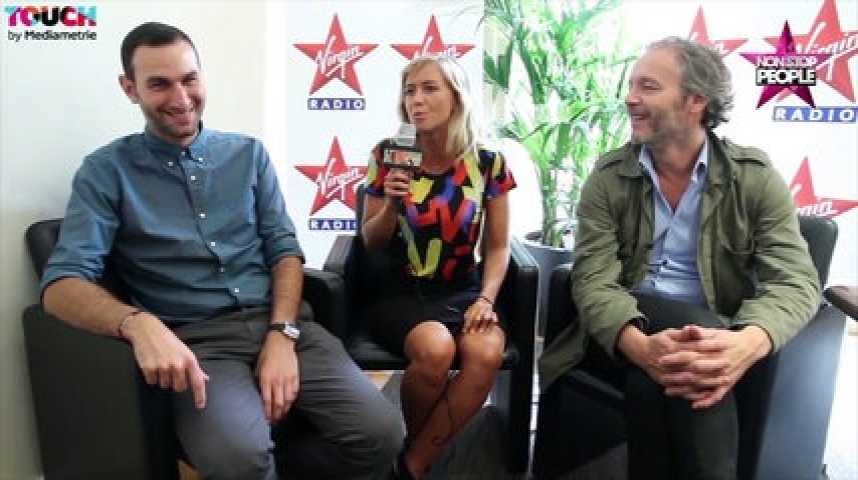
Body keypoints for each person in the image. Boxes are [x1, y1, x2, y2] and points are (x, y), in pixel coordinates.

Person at [40, 22, 401, 480]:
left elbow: (284, 251)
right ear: (129, 89)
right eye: (159, 84)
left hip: (285, 326)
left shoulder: (249, 155)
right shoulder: (105, 172)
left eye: (189, 79)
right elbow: (60, 286)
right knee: (239, 459)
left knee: (382, 432)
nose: (180, 98)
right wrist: (137, 322)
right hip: (198, 345)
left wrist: (282, 333)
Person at [539, 37, 820, 479]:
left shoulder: (753, 178)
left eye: (648, 86)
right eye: (632, 85)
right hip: (623, 329)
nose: (630, 98)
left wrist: (745, 343)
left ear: (695, 101)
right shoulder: (609, 178)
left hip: (712, 337)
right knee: (689, 346)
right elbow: (593, 280)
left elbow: (796, 280)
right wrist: (640, 347)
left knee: (659, 379)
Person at [360, 54, 516, 480]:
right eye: (410, 91)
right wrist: (392, 205)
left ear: (457, 97)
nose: (416, 100)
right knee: (435, 349)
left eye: (430, 88)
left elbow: (498, 247)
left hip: (463, 288)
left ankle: (413, 463)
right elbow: (370, 242)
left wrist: (486, 298)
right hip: (399, 290)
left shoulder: (488, 163)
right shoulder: (389, 155)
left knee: (486, 351)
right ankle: (420, 455)